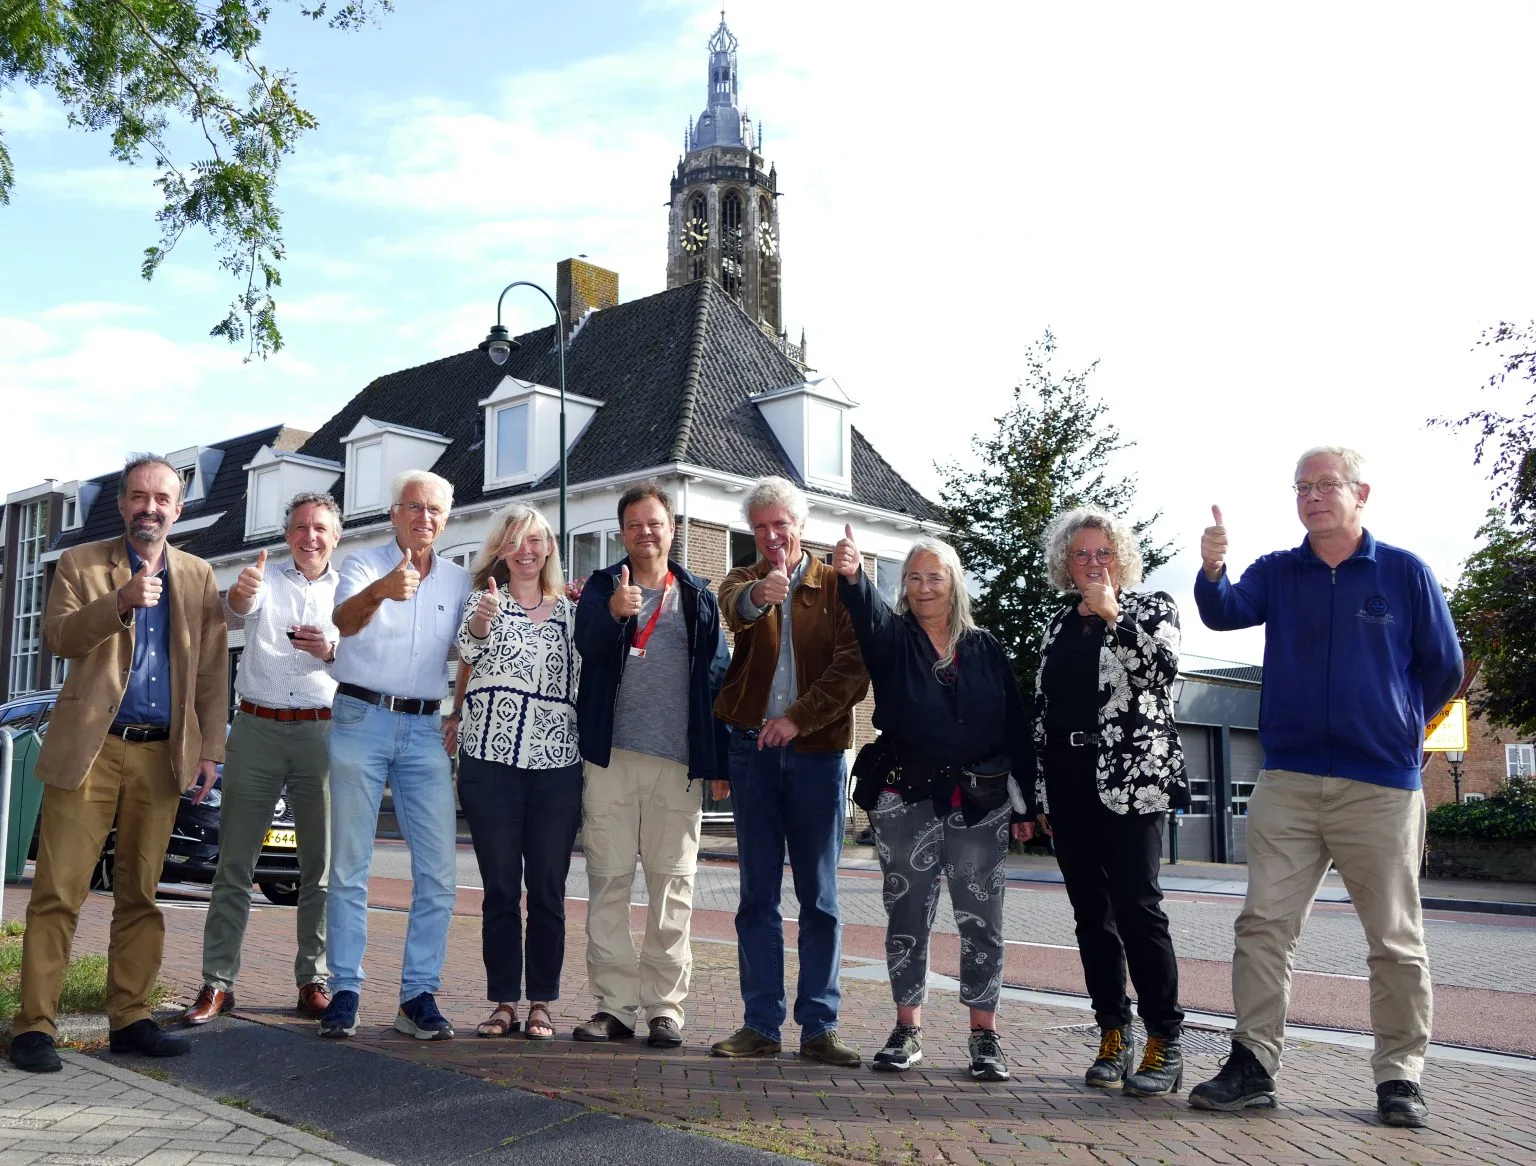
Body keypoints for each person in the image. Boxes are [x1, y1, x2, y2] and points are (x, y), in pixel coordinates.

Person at [1190, 446, 1463, 1129]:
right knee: (1262, 927)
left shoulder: (1404, 574)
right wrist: (1214, 566)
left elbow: (1444, 667)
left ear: (1360, 491)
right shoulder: (1281, 573)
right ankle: (1253, 1064)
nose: (1312, 496)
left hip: (1380, 786)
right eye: (1301, 487)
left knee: (1395, 939)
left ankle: (1400, 1075)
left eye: (1326, 484)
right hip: (1288, 780)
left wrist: (1403, 733)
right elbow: (1224, 612)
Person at [9, 456, 226, 1073]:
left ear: (177, 509)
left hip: (162, 753)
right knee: (58, 892)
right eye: (137, 496)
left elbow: (211, 671)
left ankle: (130, 1019)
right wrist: (123, 600)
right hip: (91, 749)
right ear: (122, 504)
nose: (148, 507)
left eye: (161, 498)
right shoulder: (82, 564)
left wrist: (211, 748)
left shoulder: (199, 575)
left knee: (141, 894)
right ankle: (34, 1027)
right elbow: (61, 639)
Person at [832, 528, 1034, 1082]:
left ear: (955, 585)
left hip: (979, 800)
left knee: (982, 917)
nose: (923, 587)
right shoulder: (892, 639)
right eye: (914, 578)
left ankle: (984, 1036)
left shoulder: (986, 648)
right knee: (907, 911)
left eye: (934, 577)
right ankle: (907, 1027)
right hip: (905, 798)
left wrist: (1027, 804)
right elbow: (866, 612)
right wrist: (851, 575)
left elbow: (1015, 725)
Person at [710, 478, 870, 1068]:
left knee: (820, 897)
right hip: (751, 753)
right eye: (761, 528)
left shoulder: (838, 586)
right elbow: (734, 610)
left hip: (818, 756)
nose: (772, 536)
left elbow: (854, 669)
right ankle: (760, 1024)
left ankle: (820, 1027)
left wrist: (798, 720)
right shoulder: (743, 579)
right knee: (756, 895)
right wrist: (761, 598)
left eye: (782, 524)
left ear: (801, 525)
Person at [1032, 506, 1190, 1096]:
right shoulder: (1055, 627)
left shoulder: (1151, 609)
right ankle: (1113, 1034)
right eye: (1081, 555)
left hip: (1132, 782)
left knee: (1138, 910)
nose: (1094, 563)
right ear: (1065, 565)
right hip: (1070, 783)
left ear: (1121, 557)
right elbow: (1045, 712)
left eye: (1104, 552)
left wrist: (1115, 616)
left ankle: (1165, 1042)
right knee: (1091, 919)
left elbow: (1162, 673)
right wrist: (1042, 792)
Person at [572, 482, 729, 1049]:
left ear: (672, 528)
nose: (645, 532)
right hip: (610, 760)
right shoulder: (599, 587)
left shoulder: (698, 596)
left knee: (672, 887)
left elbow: (717, 677)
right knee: (608, 883)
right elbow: (586, 647)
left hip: (676, 764)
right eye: (634, 524)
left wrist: (717, 758)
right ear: (622, 534)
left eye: (654, 522)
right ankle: (614, 1007)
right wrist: (614, 615)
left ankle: (665, 1008)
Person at [319, 470, 471, 1041]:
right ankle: (346, 991)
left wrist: (457, 711)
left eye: (434, 510)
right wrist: (382, 589)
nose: (423, 518)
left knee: (438, 871)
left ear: (445, 519)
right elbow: (343, 622)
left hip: (424, 728)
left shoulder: (458, 581)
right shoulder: (361, 565)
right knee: (350, 866)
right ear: (394, 514)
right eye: (412, 507)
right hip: (360, 718)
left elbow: (473, 649)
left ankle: (416, 996)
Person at [185, 493, 343, 1027]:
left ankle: (313, 980)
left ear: (335, 536)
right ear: (287, 535)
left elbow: (363, 660)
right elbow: (231, 614)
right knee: (234, 863)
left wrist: (332, 651)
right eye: (299, 527)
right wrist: (238, 594)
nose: (309, 536)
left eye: (320, 527)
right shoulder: (262, 578)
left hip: (320, 732)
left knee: (319, 867)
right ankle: (217, 982)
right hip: (254, 728)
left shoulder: (351, 592)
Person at [449, 503, 581, 1041]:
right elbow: (468, 647)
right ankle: (504, 1000)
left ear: (549, 547)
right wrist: (483, 619)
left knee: (548, 888)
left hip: (555, 766)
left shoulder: (572, 611)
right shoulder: (481, 600)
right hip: (490, 761)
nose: (526, 550)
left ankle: (542, 1003)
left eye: (536, 540)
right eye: (515, 541)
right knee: (500, 888)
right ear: (500, 549)